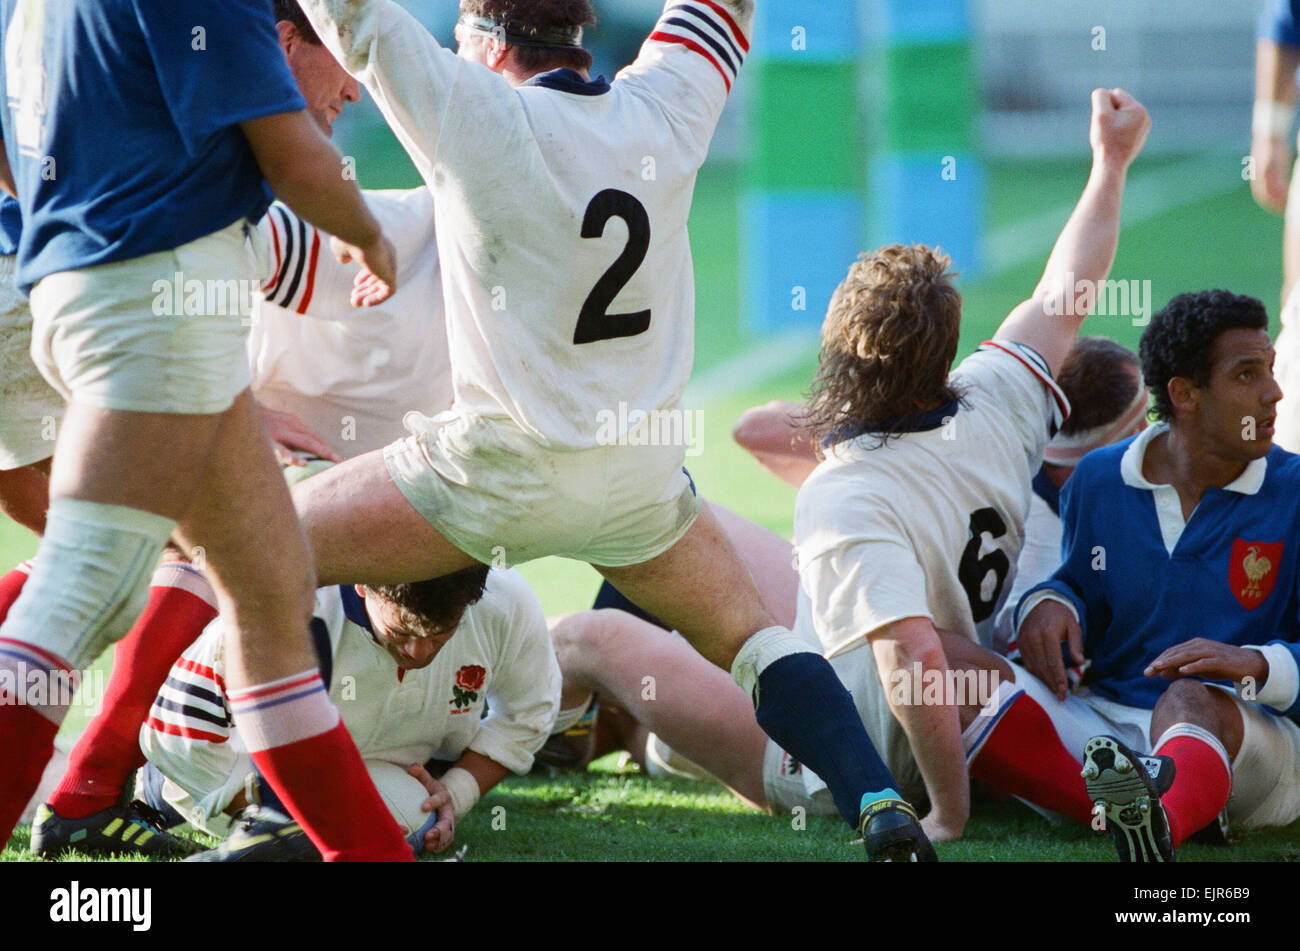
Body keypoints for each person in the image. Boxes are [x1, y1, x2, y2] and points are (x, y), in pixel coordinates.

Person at [292, 0, 931, 859]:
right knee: (759, 643)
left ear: (486, 41)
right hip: (636, 483)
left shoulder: (472, 107)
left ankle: (217, 791)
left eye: (459, 39)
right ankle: (881, 805)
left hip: (492, 472)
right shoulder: (666, 100)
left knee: (253, 547)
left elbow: (353, 16)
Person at [547, 89, 1150, 844]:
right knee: (677, 522)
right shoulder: (997, 397)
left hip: (839, 752)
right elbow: (1068, 286)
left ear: (843, 352)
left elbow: (913, 662)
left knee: (585, 635)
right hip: (870, 659)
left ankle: (561, 739)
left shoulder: (847, 489)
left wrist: (947, 813)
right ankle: (614, 728)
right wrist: (1111, 162)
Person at [0, 0, 414, 862]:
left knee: (270, 588)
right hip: (154, 292)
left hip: (111, 285)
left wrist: (74, 214)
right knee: (88, 588)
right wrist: (370, 236)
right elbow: (290, 151)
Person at [947, 289, 1300, 863]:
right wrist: (1049, 603)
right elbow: (1081, 583)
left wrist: (1259, 664)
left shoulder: (1294, 492)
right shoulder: (1101, 479)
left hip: (1246, 736)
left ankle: (1162, 820)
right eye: (1246, 375)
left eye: (1271, 371)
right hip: (1106, 729)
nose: (1274, 393)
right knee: (948, 667)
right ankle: (1129, 803)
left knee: (1188, 697)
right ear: (1185, 395)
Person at [139, 566, 558, 861]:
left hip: (384, 772)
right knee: (323, 834)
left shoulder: (504, 597)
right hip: (231, 766)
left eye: (439, 634)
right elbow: (175, 724)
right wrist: (255, 809)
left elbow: (528, 713)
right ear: (363, 585)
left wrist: (458, 791)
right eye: (402, 632)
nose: (419, 652)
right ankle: (152, 794)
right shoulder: (297, 595)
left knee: (415, 814)